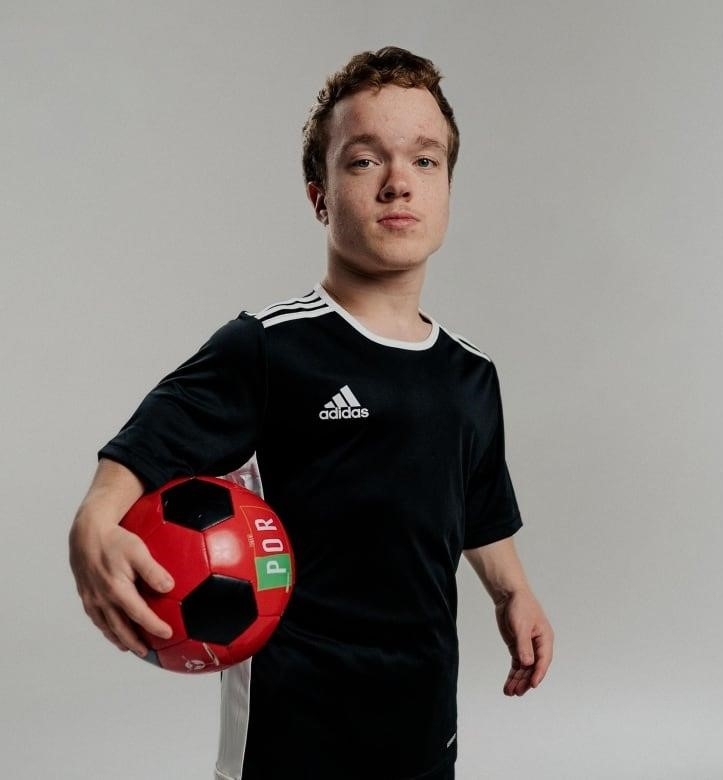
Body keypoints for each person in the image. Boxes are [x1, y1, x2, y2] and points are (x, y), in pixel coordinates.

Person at [69, 46, 553, 780]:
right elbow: (146, 444)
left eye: (425, 161)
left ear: (449, 187)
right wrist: (95, 522)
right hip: (295, 728)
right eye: (363, 161)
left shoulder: (470, 374)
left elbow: (476, 506)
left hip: (422, 712)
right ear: (318, 195)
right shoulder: (268, 347)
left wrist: (514, 594)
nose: (398, 182)